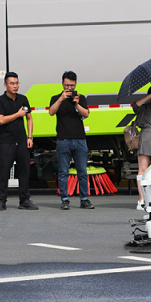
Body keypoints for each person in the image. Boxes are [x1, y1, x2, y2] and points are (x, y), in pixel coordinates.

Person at [49, 70, 94, 210]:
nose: (69, 88)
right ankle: (64, 199)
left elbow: (86, 114)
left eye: (72, 85)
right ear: (62, 83)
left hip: (80, 139)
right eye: (67, 85)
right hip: (63, 140)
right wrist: (61, 99)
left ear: (76, 84)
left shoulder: (81, 98)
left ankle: (84, 199)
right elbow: (51, 112)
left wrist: (76, 104)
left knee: (82, 172)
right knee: (63, 172)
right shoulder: (56, 98)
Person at [0, 72, 37, 211]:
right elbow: (1, 120)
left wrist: (30, 137)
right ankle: (1, 201)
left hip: (22, 141)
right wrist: (18, 114)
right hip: (6, 143)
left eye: (17, 83)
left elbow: (29, 118)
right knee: (4, 172)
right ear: (5, 85)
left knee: (24, 172)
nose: (15, 86)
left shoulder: (23, 99)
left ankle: (25, 200)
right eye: (12, 83)